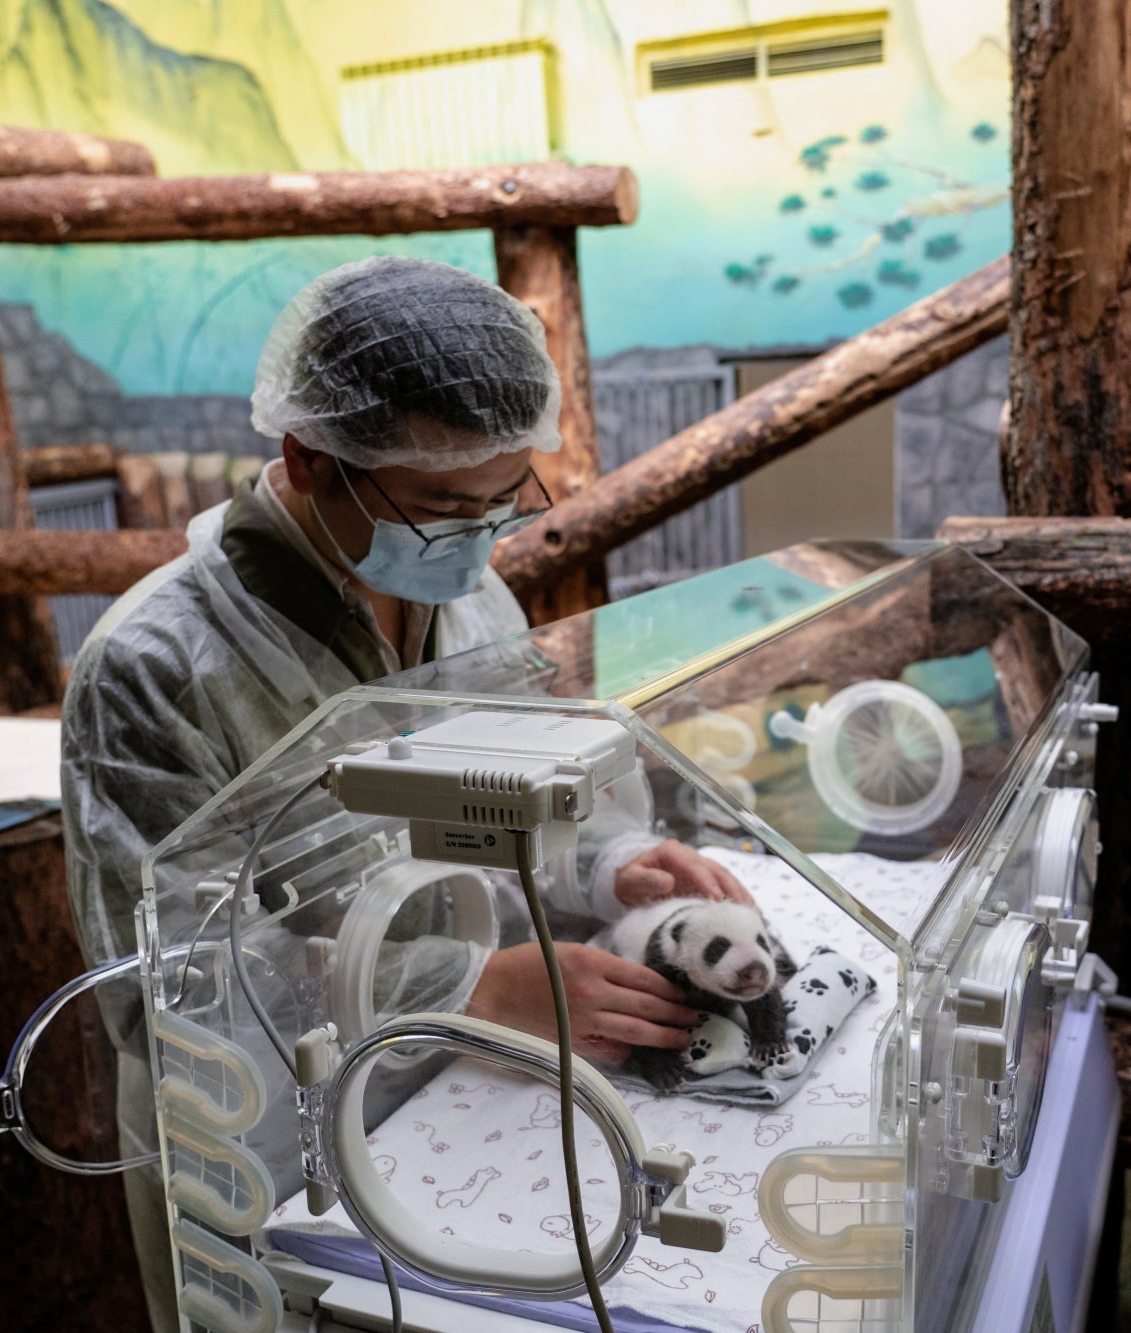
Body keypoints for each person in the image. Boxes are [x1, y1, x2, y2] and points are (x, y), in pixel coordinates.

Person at [60, 256, 748, 1331]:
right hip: (271, 1137)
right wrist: (467, 984)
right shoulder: (155, 665)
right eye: (441, 506)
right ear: (307, 457)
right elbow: (170, 984)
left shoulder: (472, 605)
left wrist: (604, 864)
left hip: (469, 1100)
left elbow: (517, 802)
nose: (476, 537)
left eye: (503, 500)